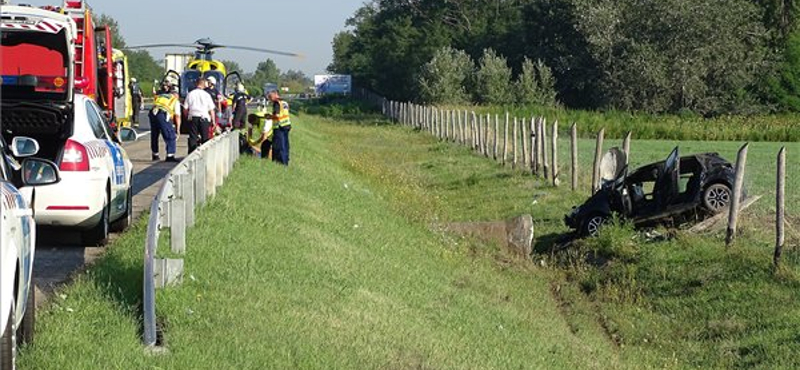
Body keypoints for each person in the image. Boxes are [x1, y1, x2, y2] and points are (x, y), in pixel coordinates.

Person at [148, 81, 182, 162]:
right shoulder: (174, 100)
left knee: (154, 135)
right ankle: (170, 155)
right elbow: (177, 116)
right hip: (162, 114)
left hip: (153, 113)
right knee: (170, 135)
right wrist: (177, 129)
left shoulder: (159, 96)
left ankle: (155, 155)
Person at [184, 78, 216, 153]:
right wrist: (213, 121)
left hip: (193, 118)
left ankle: (191, 154)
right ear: (203, 84)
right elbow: (211, 109)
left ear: (196, 84)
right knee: (205, 138)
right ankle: (204, 154)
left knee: (193, 137)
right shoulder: (207, 95)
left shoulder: (190, 94)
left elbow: (185, 108)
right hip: (204, 118)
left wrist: (187, 117)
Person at [267, 90, 291, 166]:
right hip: (286, 125)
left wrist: (269, 116)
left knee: (279, 146)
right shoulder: (284, 102)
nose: (270, 99)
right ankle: (285, 161)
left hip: (279, 127)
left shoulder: (276, 103)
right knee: (285, 145)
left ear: (275, 94)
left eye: (270, 97)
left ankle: (280, 163)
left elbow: (277, 115)